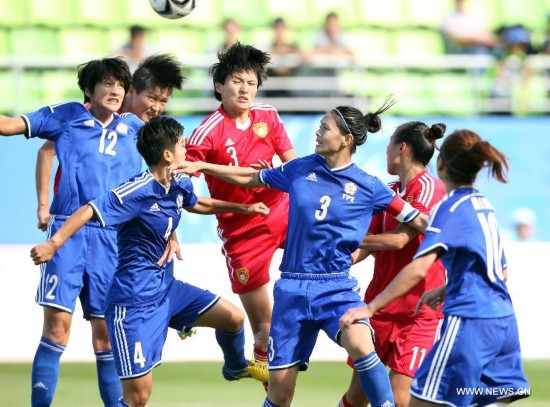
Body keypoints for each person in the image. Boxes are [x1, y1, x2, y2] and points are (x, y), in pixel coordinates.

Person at [171, 98, 432, 407]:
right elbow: (249, 177)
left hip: (336, 288)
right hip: (292, 290)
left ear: (346, 139)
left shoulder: (369, 186)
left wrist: (462, 246)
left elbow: (419, 220)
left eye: (325, 127)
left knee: (362, 344)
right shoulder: (300, 168)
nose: (318, 132)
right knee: (280, 394)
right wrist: (203, 165)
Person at [30, 116, 269, 406]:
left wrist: (244, 208)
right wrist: (54, 244)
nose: (186, 146)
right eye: (182, 143)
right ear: (167, 154)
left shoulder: (179, 183)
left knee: (232, 318)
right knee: (138, 399)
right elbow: (90, 210)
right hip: (133, 304)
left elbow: (197, 203)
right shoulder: (137, 190)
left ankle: (234, 368)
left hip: (168, 290)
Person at [340, 129, 530, 407]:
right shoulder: (481, 204)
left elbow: (407, 252)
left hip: (437, 317)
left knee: (409, 398)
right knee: (361, 394)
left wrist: (367, 306)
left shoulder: (440, 199)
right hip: (498, 319)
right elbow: (499, 270)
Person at [0, 57, 142, 406]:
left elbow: (170, 168)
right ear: (89, 91)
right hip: (67, 234)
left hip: (112, 238)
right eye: (106, 83)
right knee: (57, 328)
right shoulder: (66, 117)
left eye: (120, 85)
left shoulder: (136, 128)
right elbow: (8, 127)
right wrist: (43, 205)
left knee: (106, 335)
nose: (114, 90)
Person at [185, 42, 297, 385]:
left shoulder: (269, 116)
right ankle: (265, 372)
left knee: (330, 259)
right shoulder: (207, 130)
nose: (244, 88)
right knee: (264, 327)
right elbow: (184, 176)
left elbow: (292, 164)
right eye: (236, 80)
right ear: (220, 86)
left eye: (250, 81)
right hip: (241, 229)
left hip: (281, 209)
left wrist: (276, 174)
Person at [338, 122, 447, 407]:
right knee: (358, 396)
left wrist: (344, 239)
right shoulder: (389, 190)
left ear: (402, 148)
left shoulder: (429, 188)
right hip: (380, 308)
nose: (386, 152)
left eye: (388, 146)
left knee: (400, 397)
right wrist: (341, 256)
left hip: (418, 312)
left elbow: (399, 240)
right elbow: (368, 240)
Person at [36, 53, 186, 232]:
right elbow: (45, 152)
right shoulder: (93, 115)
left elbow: (158, 181)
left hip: (113, 221)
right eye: (152, 98)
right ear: (131, 91)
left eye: (163, 101)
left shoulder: (147, 132)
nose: (157, 108)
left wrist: (170, 232)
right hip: (73, 216)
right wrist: (43, 207)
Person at [263, 17, 303, 98]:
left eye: (281, 29)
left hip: (289, 89)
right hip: (271, 90)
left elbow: (303, 55)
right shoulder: (268, 47)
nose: (279, 32)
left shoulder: (293, 47)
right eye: (277, 29)